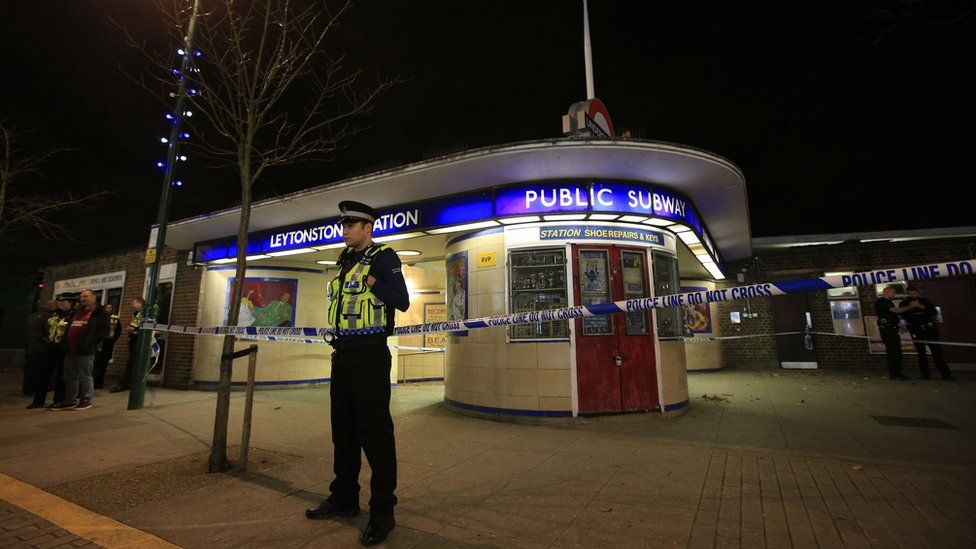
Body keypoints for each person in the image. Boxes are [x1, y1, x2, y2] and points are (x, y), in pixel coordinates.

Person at [305, 201, 410, 546]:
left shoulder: (384, 257)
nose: (345, 230)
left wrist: (373, 281)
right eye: (344, 224)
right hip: (343, 355)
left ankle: (383, 513)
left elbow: (402, 300)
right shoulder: (345, 259)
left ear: (368, 227)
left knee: (375, 434)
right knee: (344, 432)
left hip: (370, 355)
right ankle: (344, 498)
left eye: (352, 224)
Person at [54, 289, 109, 410]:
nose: (83, 298)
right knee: (70, 375)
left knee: (85, 375)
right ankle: (70, 400)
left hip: (85, 350)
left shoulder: (99, 313)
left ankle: (86, 399)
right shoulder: (77, 312)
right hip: (71, 349)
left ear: (94, 298)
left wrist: (90, 343)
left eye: (86, 296)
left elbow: (104, 332)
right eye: (82, 297)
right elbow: (70, 327)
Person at [900, 286, 954, 380]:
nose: (912, 295)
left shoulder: (925, 301)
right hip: (916, 330)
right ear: (907, 294)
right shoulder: (904, 303)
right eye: (910, 294)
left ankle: (946, 375)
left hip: (929, 329)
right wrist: (910, 307)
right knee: (921, 353)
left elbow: (933, 312)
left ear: (917, 293)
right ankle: (925, 375)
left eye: (914, 293)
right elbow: (902, 315)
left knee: (937, 352)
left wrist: (920, 306)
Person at [29, 299, 71, 409]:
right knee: (44, 374)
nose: (61, 304)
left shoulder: (72, 316)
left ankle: (58, 400)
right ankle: (38, 401)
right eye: (60, 302)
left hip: (64, 349)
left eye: (64, 302)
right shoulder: (54, 314)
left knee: (61, 376)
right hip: (50, 348)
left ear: (70, 303)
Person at [875, 285, 924, 380]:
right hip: (887, 330)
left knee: (897, 352)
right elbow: (896, 311)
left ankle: (897, 372)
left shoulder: (888, 302)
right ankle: (894, 374)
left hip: (892, 329)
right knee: (893, 352)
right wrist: (911, 306)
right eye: (893, 293)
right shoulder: (882, 302)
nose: (895, 294)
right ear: (886, 292)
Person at [23, 301, 55, 399]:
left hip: (31, 347)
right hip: (41, 348)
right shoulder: (48, 317)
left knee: (29, 369)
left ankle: (27, 389)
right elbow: (50, 332)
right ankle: (34, 389)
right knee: (38, 370)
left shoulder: (32, 316)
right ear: (50, 306)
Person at [111, 297, 144, 393]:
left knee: (131, 363)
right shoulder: (135, 313)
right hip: (134, 341)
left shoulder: (143, 314)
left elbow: (138, 327)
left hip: (139, 342)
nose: (132, 305)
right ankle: (129, 383)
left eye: (134, 303)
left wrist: (133, 330)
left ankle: (124, 384)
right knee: (132, 363)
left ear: (140, 303)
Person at [93, 303, 123, 389]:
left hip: (108, 344)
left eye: (110, 308)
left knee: (103, 364)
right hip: (98, 343)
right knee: (95, 363)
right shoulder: (99, 317)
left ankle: (99, 383)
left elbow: (118, 331)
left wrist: (112, 340)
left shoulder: (115, 318)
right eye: (107, 307)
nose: (109, 309)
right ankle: (94, 381)